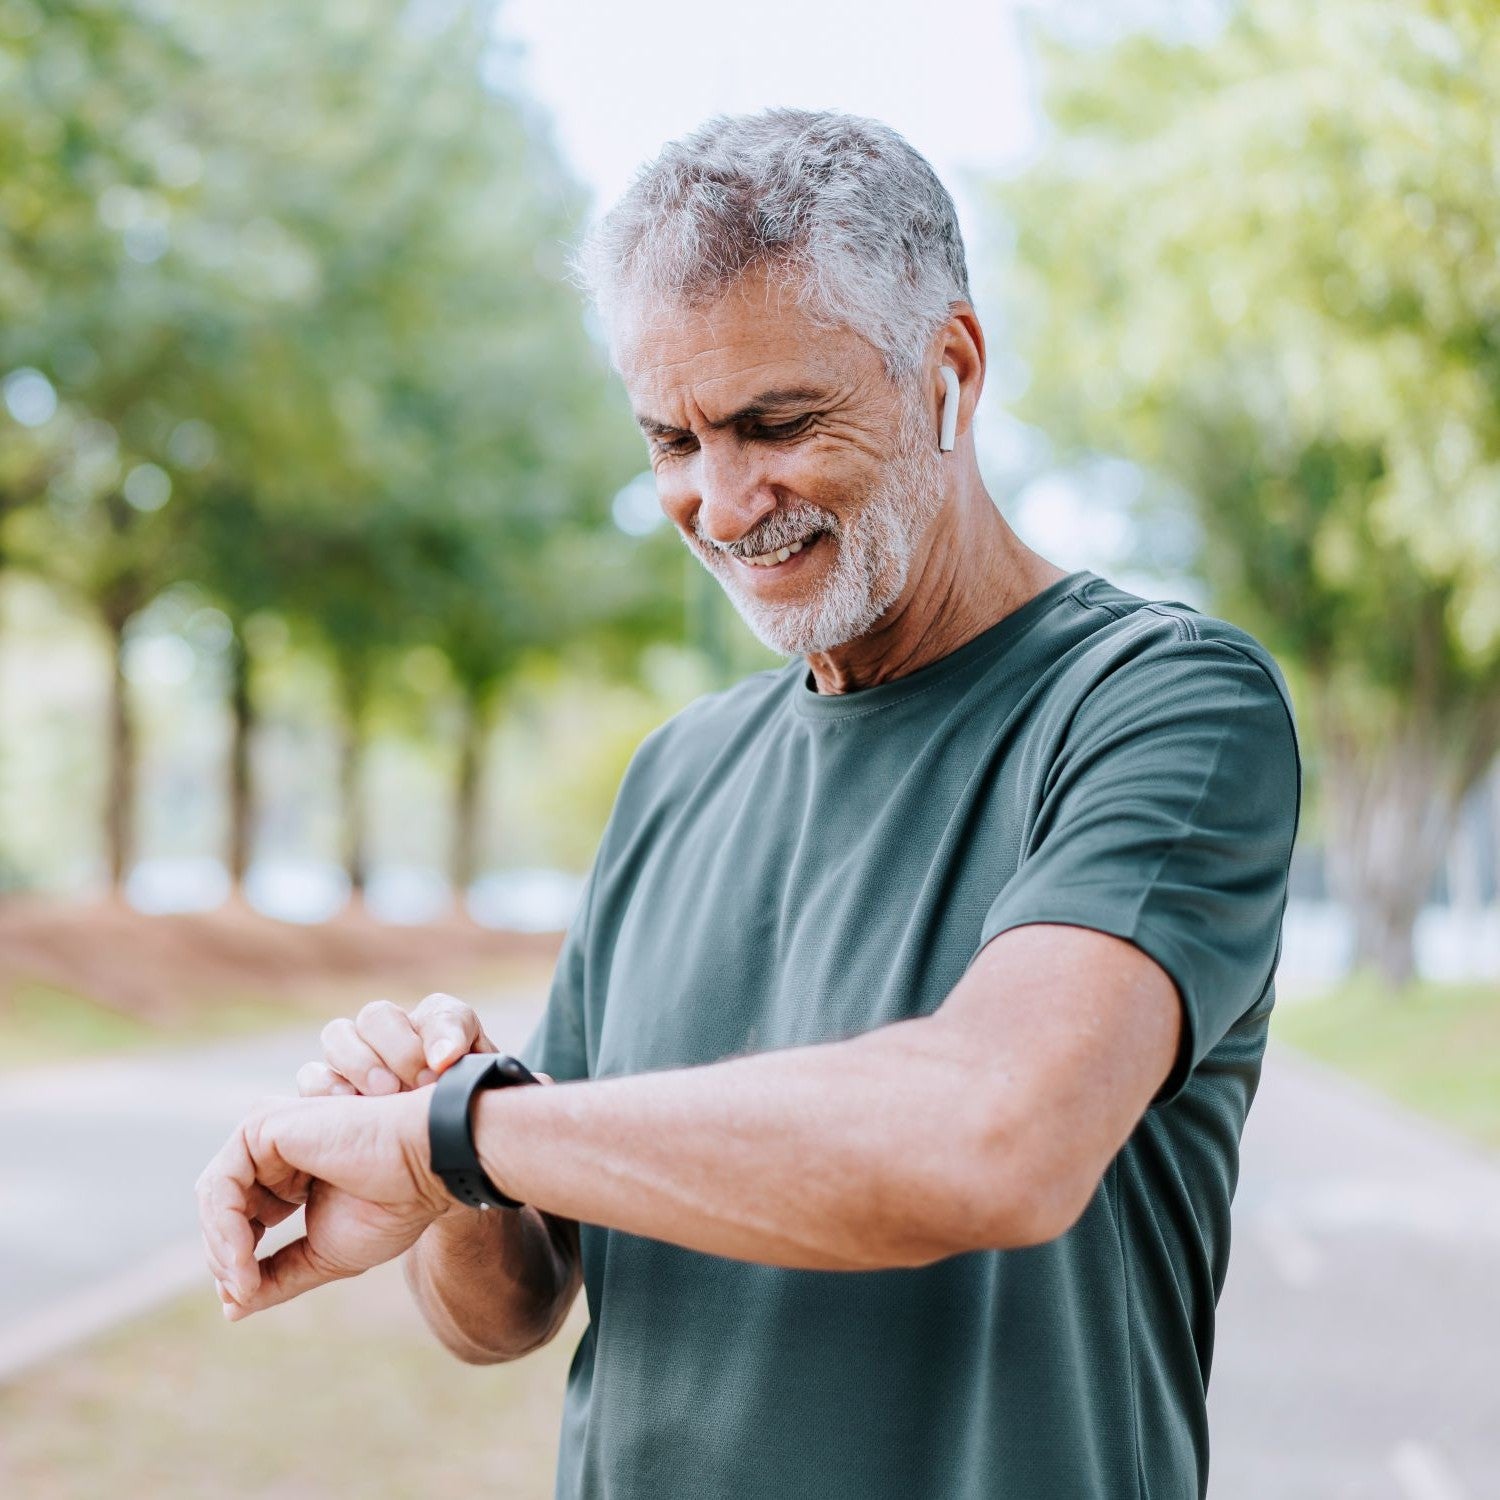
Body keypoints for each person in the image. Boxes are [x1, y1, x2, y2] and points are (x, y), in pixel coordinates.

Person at [197, 108, 1302, 1500]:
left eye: (775, 425)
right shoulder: (676, 772)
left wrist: (461, 1130)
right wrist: (441, 1168)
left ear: (949, 369)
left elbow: (993, 1141)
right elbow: (515, 1311)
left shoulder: (1162, 704)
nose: (721, 505)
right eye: (671, 438)